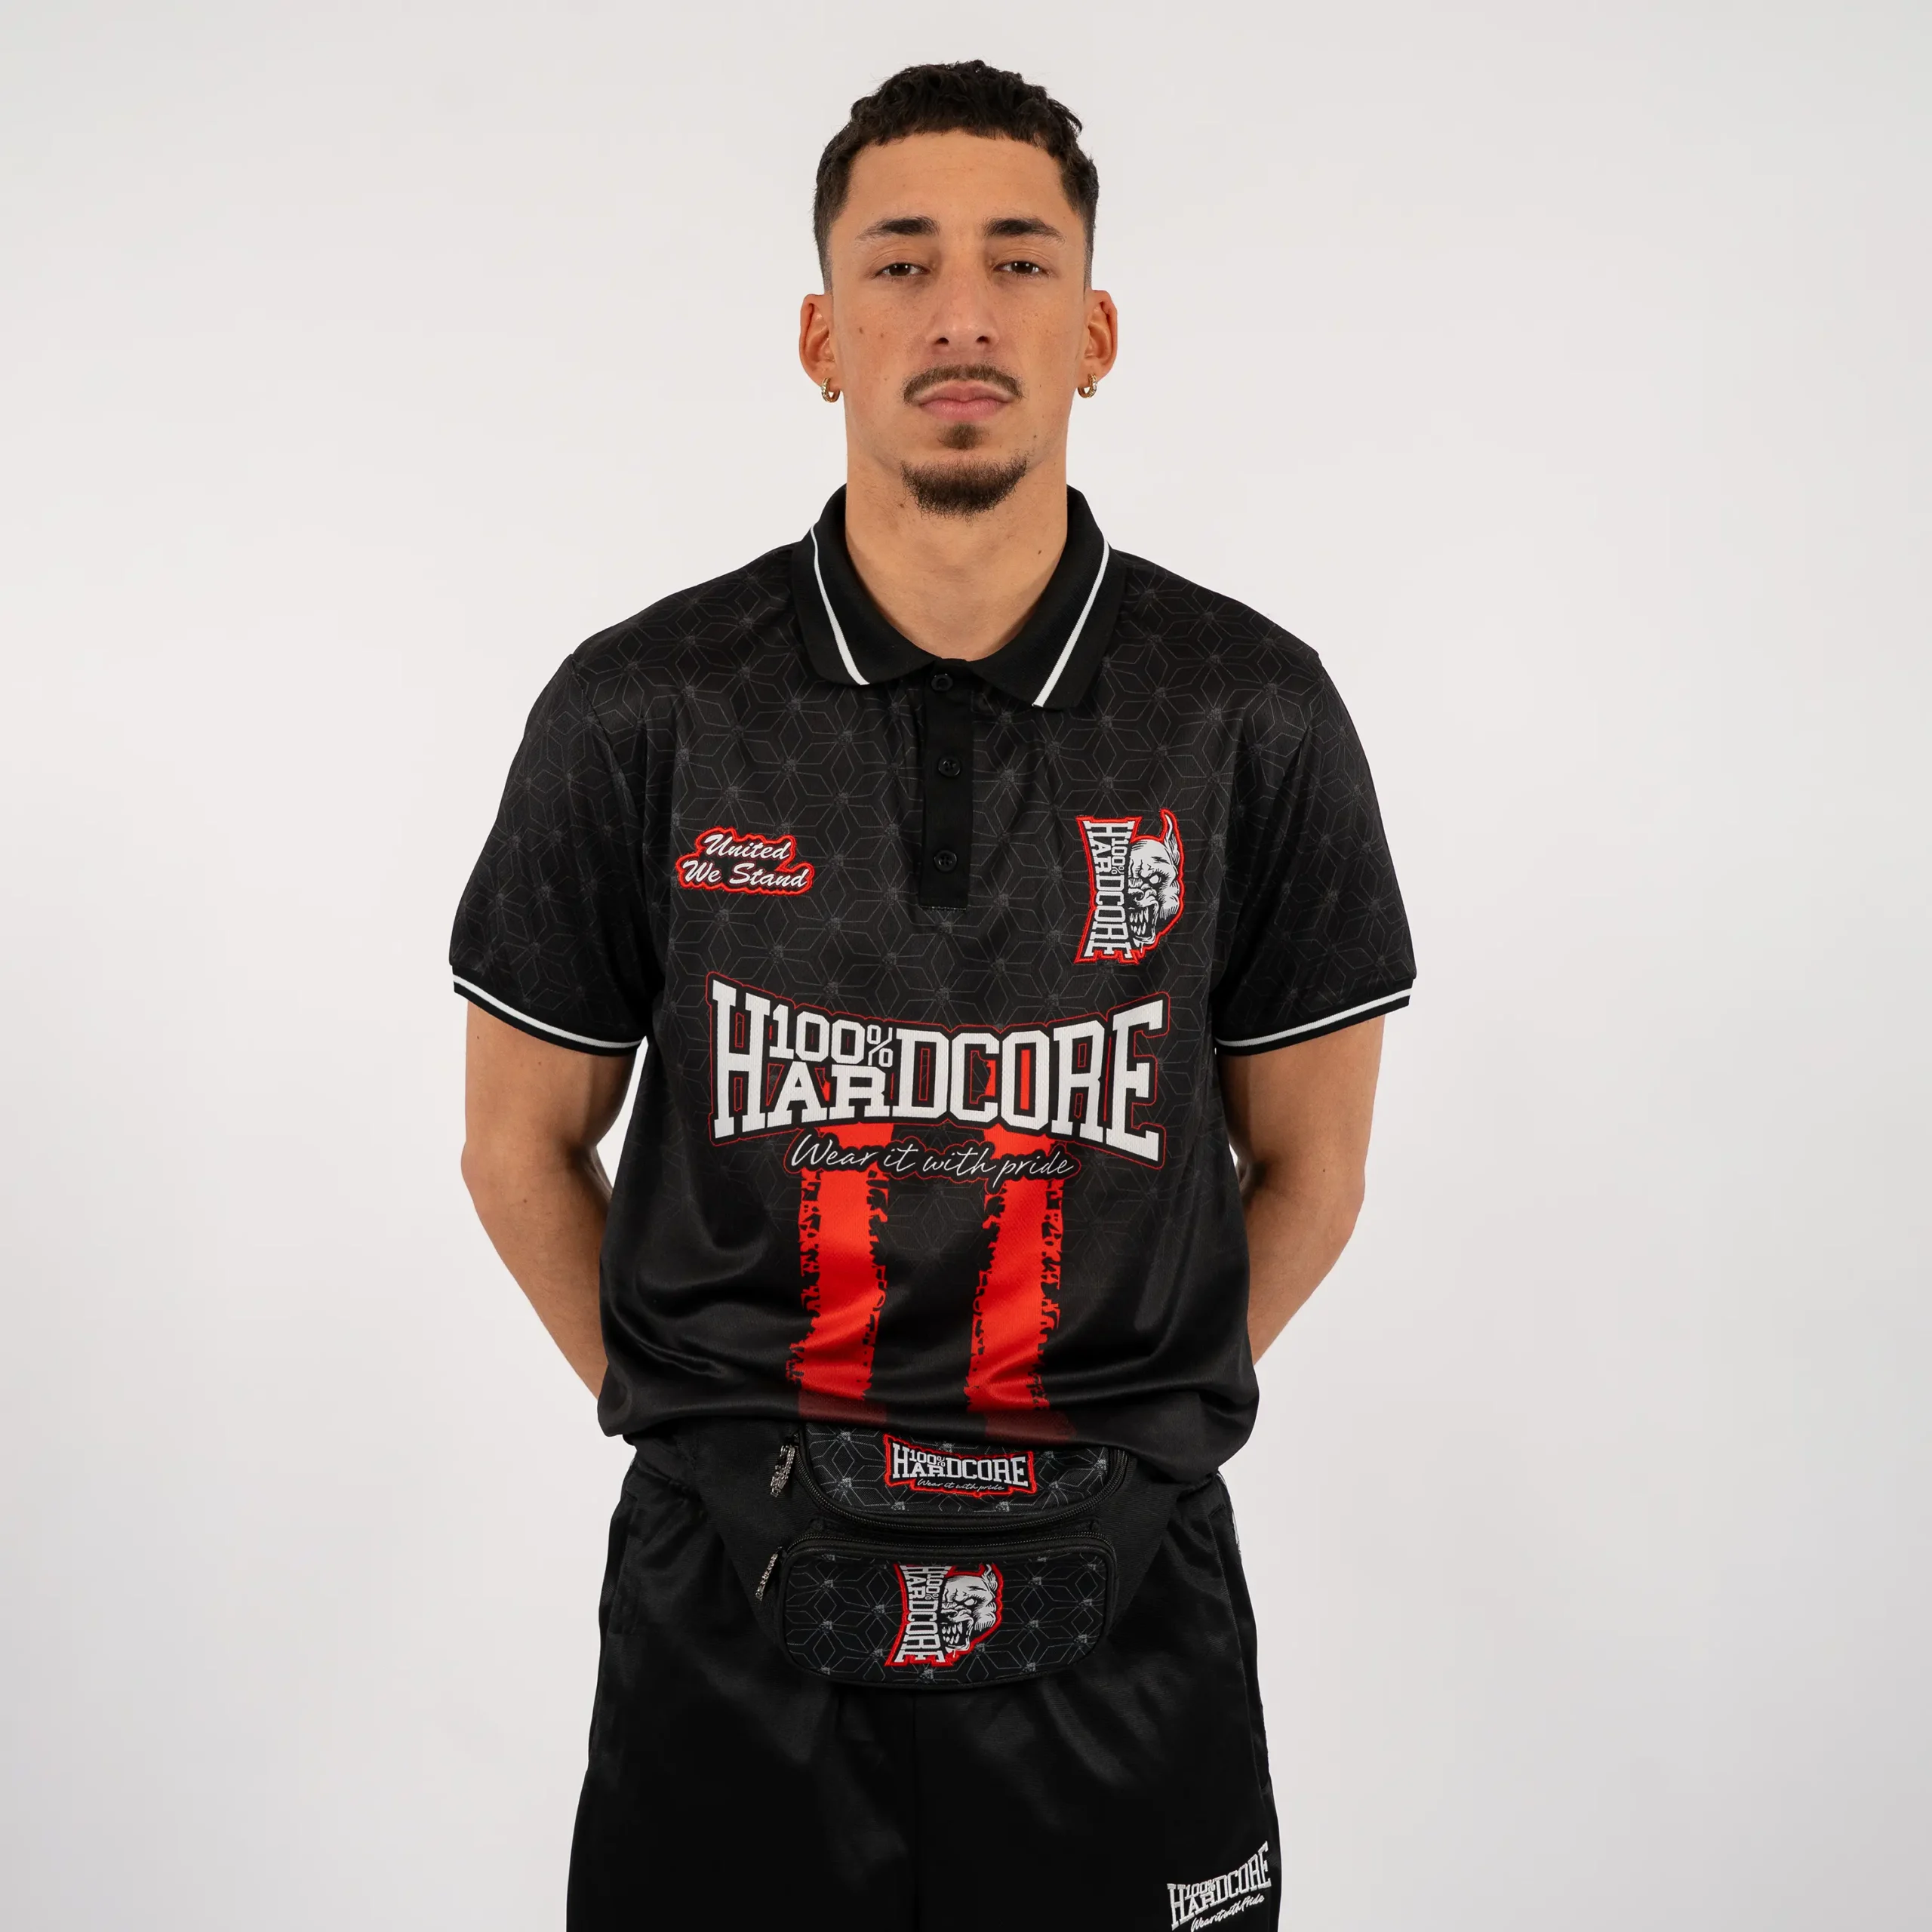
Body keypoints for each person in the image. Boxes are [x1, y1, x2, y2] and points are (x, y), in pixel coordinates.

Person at [452, 59, 1414, 1932]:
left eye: (1018, 262)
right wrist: (706, 1441)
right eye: (899, 263)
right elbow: (514, 1148)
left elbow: (1313, 1168)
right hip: (729, 1616)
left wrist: (1135, 1437)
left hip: (1121, 1609)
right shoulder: (644, 705)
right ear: (821, 333)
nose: (960, 312)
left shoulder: (1248, 709)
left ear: (1094, 332)